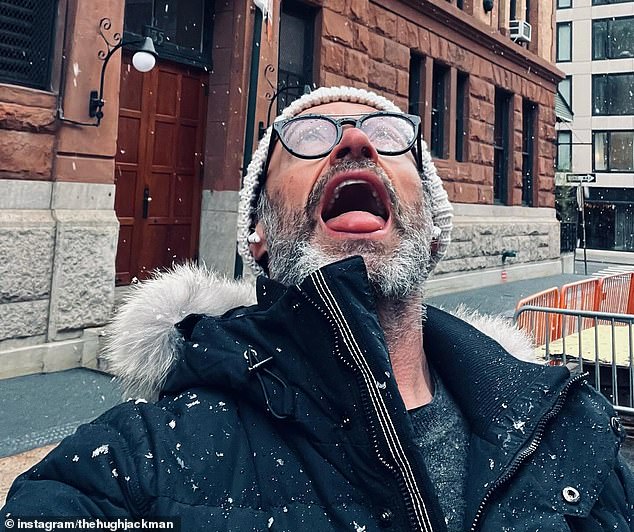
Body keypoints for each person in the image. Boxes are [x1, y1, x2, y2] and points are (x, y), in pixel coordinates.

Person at [3, 86, 633, 531]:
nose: (357, 141)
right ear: (258, 235)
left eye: (390, 135)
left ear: (434, 231)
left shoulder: (572, 432)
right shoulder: (142, 457)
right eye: (307, 137)